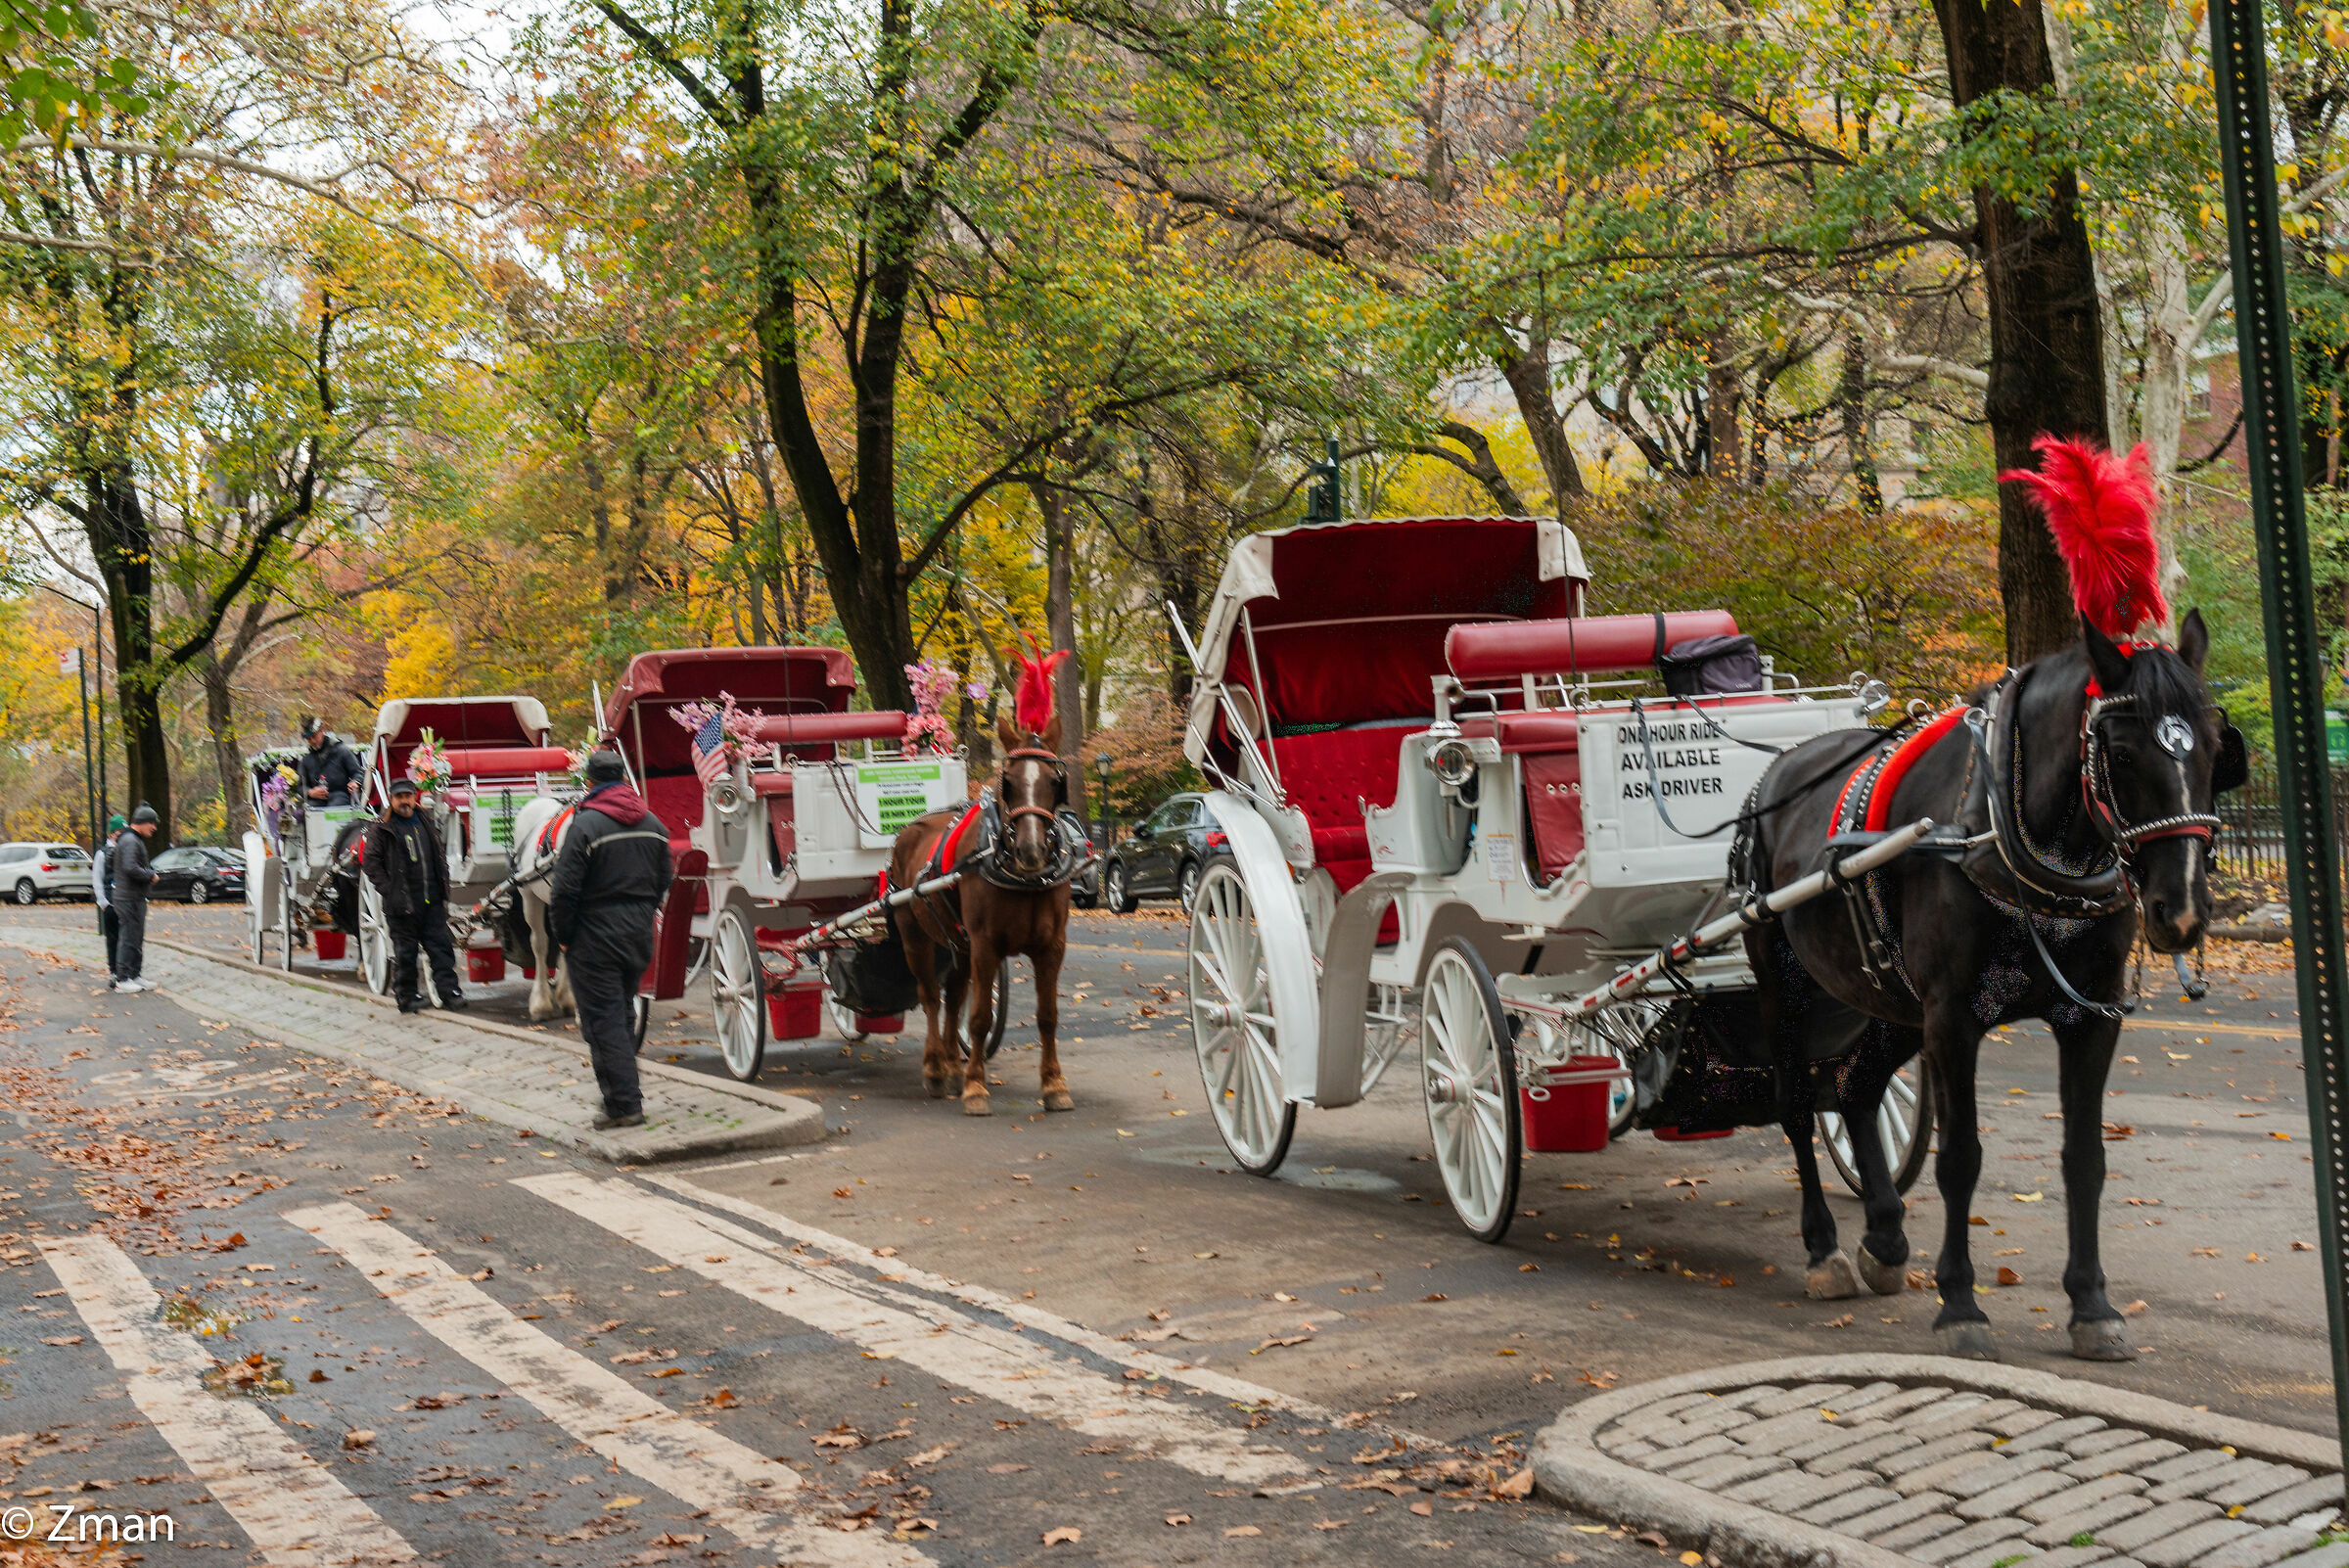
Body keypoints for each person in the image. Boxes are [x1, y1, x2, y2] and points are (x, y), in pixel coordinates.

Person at [547, 750, 672, 1130]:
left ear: (589, 781)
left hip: (594, 935)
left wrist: (564, 937)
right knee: (623, 1014)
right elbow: (664, 877)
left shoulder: (585, 826)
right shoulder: (653, 823)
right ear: (622, 779)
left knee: (604, 1023)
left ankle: (624, 1105)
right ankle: (623, 1095)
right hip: (637, 931)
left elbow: (564, 890)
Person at [362, 775, 465, 1015]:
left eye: (408, 796)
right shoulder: (382, 827)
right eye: (399, 797)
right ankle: (407, 997)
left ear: (415, 797)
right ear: (391, 799)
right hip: (402, 905)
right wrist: (389, 890)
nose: (404, 801)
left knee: (441, 949)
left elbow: (438, 853)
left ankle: (449, 993)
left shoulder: (425, 820)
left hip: (432, 900)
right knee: (406, 954)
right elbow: (370, 862)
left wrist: (443, 884)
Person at [110, 806, 159, 992]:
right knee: (129, 938)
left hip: (133, 897)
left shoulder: (130, 839)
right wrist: (150, 876)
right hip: (128, 898)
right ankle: (122, 980)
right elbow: (130, 867)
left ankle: (134, 975)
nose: (154, 828)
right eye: (152, 824)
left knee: (135, 938)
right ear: (143, 822)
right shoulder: (130, 841)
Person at [298, 716, 364, 807]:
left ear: (321, 731)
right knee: (303, 812)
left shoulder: (341, 750)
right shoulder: (306, 760)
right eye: (309, 739)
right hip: (316, 800)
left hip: (340, 796)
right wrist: (310, 792)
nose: (312, 741)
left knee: (334, 808)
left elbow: (358, 772)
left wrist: (355, 782)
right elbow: (301, 786)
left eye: (314, 736)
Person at [93, 812, 124, 976]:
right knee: (113, 938)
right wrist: (103, 902)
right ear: (112, 833)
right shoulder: (102, 854)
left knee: (124, 938)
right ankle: (114, 970)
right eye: (119, 832)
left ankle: (124, 969)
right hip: (110, 901)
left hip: (124, 900)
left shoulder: (125, 850)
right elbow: (97, 879)